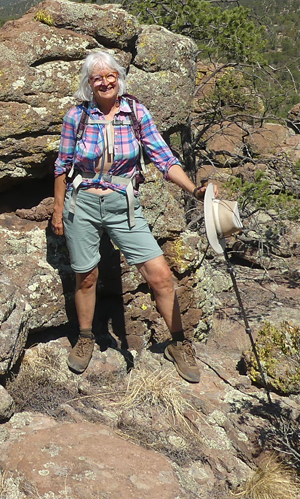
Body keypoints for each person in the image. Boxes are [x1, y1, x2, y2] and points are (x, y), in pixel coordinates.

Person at [51, 50, 216, 383]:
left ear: (119, 78)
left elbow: (164, 159)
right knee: (86, 276)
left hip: (123, 205)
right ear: (89, 83)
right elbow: (62, 165)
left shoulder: (135, 112)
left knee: (160, 276)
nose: (105, 81)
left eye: (110, 75)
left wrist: (193, 190)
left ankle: (178, 343)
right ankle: (85, 338)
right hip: (81, 203)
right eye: (97, 77)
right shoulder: (76, 117)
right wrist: (58, 209)